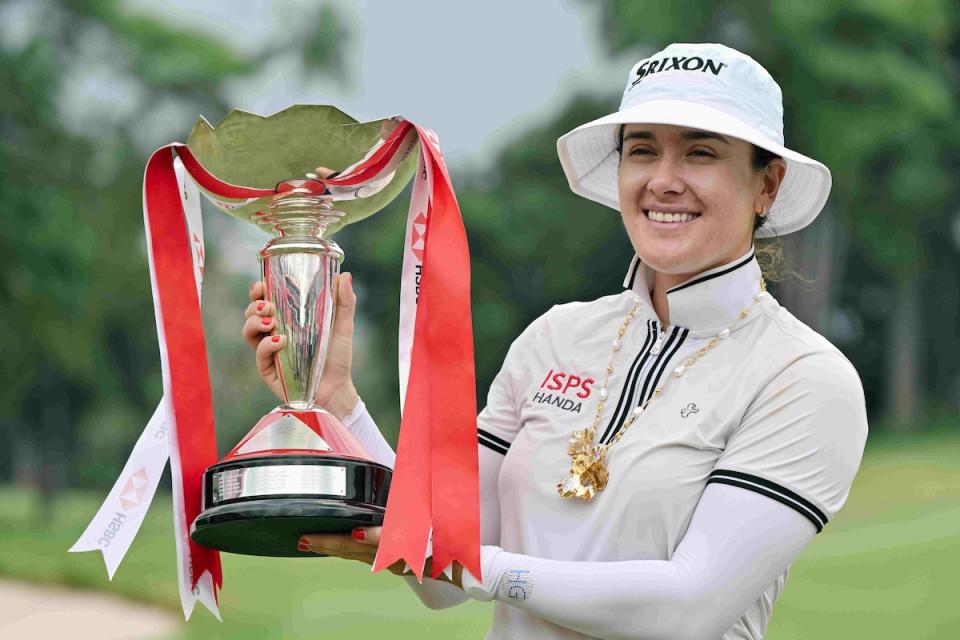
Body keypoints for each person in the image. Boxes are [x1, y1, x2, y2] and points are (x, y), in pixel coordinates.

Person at [242, 43, 868, 639]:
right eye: (643, 150)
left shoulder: (804, 377)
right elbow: (440, 576)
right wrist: (338, 403)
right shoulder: (555, 336)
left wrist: (481, 569)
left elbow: (687, 608)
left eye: (700, 153)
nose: (664, 181)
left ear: (767, 185)